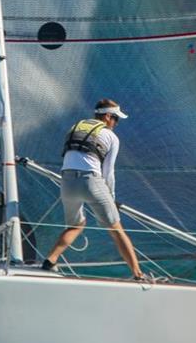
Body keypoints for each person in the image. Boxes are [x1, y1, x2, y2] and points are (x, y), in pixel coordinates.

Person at [42, 98, 144, 280]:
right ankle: (138, 274)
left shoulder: (75, 127)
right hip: (91, 181)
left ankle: (50, 260)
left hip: (66, 181)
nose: (116, 123)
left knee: (76, 225)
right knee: (116, 229)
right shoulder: (112, 137)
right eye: (115, 118)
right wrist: (111, 197)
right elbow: (108, 172)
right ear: (106, 117)